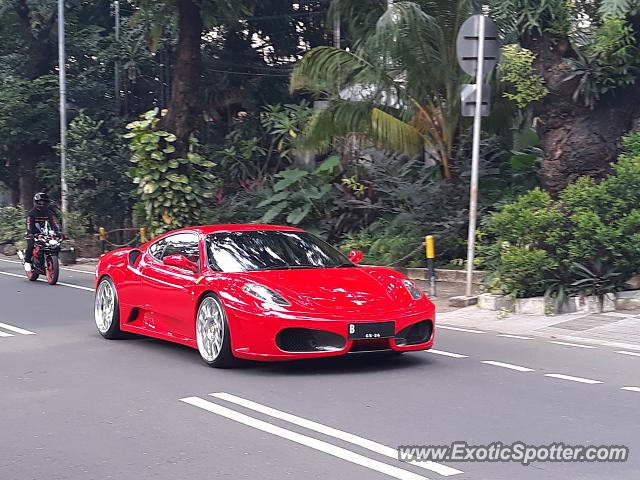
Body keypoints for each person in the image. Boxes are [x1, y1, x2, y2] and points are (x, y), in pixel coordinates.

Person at [24, 192, 62, 272]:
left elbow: (54, 222)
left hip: (46, 233)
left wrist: (58, 231)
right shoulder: (31, 213)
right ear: (36, 202)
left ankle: (51, 260)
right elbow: (29, 224)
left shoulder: (49, 213)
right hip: (33, 233)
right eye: (40, 202)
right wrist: (30, 233)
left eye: (44, 202)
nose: (42, 204)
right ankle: (27, 261)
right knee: (30, 244)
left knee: (56, 246)